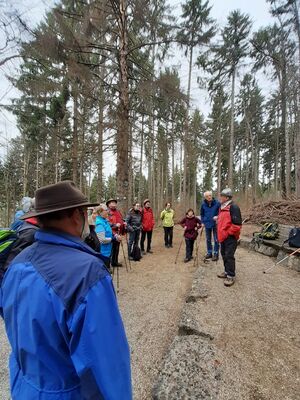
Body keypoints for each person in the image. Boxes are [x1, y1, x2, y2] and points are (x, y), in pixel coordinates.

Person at [0, 181, 132, 399]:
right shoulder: (87, 272)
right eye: (84, 212)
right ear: (75, 216)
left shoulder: (17, 262)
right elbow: (106, 363)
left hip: (23, 388)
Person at [217, 188, 242, 287]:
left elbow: (237, 225)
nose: (220, 197)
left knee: (229, 255)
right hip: (223, 236)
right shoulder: (222, 207)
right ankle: (226, 271)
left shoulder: (234, 207)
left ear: (227, 197)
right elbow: (224, 220)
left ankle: (231, 275)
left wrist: (227, 233)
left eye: (222, 196)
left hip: (230, 237)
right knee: (223, 254)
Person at [95, 204, 122, 270]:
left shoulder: (105, 221)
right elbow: (102, 240)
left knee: (107, 267)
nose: (108, 211)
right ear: (100, 212)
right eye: (106, 210)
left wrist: (115, 235)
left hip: (107, 250)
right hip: (103, 252)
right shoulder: (99, 223)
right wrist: (114, 239)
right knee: (105, 269)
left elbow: (109, 232)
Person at [200, 191, 220, 261]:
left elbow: (221, 213)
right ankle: (209, 252)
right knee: (208, 239)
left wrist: (217, 217)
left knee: (216, 239)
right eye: (207, 196)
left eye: (210, 195)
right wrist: (202, 222)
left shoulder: (217, 203)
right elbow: (202, 214)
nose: (209, 197)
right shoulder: (203, 204)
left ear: (212, 196)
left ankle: (216, 253)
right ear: (205, 197)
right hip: (207, 224)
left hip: (215, 224)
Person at [107, 198, 125, 267]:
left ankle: (115, 262)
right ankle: (109, 263)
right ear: (108, 204)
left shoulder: (118, 211)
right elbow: (107, 223)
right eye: (112, 203)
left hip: (118, 232)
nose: (114, 204)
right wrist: (115, 226)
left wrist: (124, 223)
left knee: (117, 248)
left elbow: (121, 219)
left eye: (115, 203)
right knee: (111, 249)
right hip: (112, 233)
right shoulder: (107, 212)